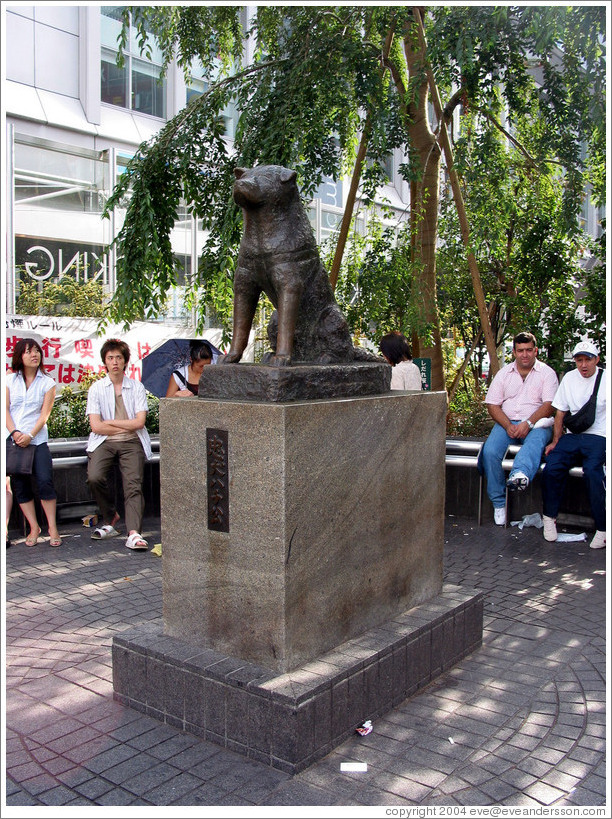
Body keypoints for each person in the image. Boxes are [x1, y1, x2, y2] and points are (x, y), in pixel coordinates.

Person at [480, 331, 559, 526]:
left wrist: (528, 423)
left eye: (529, 350)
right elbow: (492, 404)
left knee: (535, 442)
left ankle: (520, 474)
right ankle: (499, 503)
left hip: (537, 423)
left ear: (536, 351)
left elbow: (550, 405)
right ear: (514, 352)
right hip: (507, 422)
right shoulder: (504, 374)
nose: (525, 354)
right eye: (521, 350)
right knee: (490, 451)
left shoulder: (547, 373)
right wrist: (508, 425)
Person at [86, 338, 152, 550]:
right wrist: (125, 425)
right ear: (104, 361)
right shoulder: (97, 388)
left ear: (125, 361)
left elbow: (139, 423)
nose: (115, 362)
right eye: (110, 358)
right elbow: (96, 426)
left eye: (119, 358)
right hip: (104, 442)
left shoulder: (136, 387)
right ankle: (110, 516)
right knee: (94, 477)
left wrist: (110, 422)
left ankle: (134, 533)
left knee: (133, 485)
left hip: (132, 442)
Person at [542, 340, 606, 549]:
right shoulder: (569, 378)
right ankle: (549, 517)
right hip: (573, 435)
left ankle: (603, 528)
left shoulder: (606, 378)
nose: (583, 365)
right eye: (579, 360)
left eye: (588, 360)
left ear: (596, 360)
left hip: (599, 436)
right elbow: (560, 412)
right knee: (552, 467)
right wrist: (556, 441)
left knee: (593, 472)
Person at [5, 338, 61, 547]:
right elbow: (5, 409)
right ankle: (34, 527)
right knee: (20, 486)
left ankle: (52, 527)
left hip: (37, 441)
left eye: (37, 351)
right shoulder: (9, 381)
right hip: (14, 440)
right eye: (29, 351)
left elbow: (45, 414)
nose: (34, 355)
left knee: (45, 481)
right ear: (20, 356)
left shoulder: (47, 383)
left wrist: (30, 434)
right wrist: (15, 432)